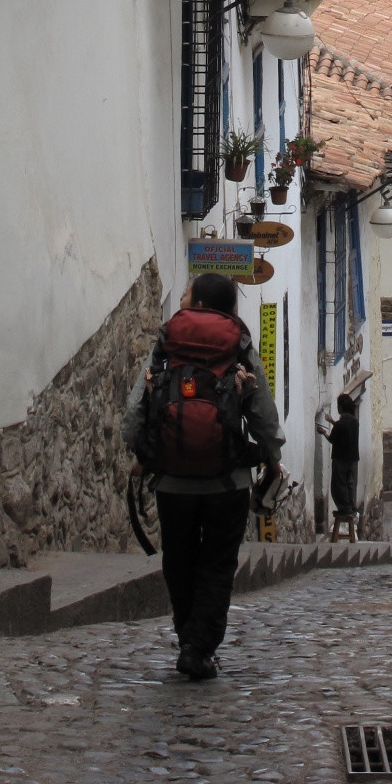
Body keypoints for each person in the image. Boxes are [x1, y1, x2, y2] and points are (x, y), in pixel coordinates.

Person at [123, 272, 284, 681]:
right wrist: (272, 455)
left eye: (186, 294)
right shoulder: (238, 343)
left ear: (197, 303)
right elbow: (263, 414)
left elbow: (133, 417)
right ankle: (200, 648)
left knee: (178, 560)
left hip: (172, 480)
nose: (182, 298)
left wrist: (145, 451)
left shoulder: (169, 339)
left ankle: (187, 639)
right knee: (217, 564)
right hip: (227, 481)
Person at [319, 391, 361, 542]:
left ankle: (345, 509)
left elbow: (333, 438)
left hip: (340, 459)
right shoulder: (354, 422)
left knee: (338, 485)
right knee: (350, 485)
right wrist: (332, 422)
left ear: (341, 407)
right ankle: (352, 508)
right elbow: (342, 428)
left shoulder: (341, 424)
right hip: (353, 459)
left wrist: (323, 432)